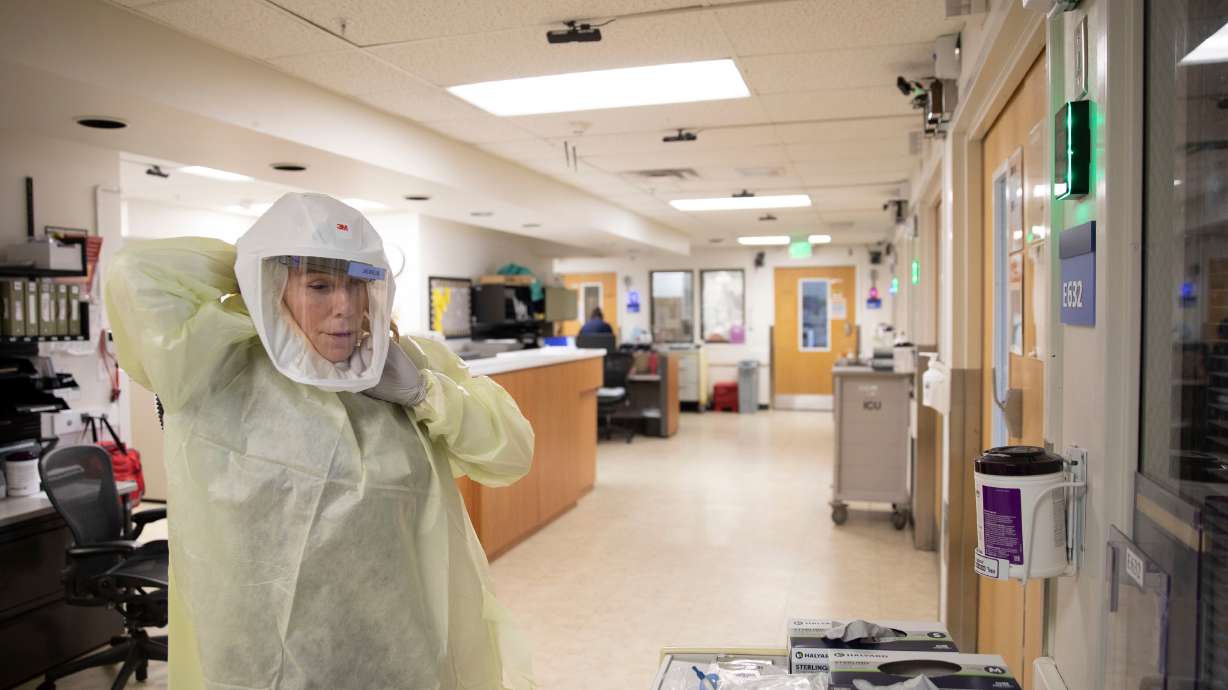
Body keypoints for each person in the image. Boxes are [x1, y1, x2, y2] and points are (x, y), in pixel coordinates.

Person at [105, 193, 535, 690]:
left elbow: (512, 453)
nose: (345, 307)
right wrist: (256, 262)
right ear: (271, 283)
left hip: (397, 645)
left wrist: (423, 393)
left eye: (359, 283)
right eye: (319, 285)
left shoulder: (403, 361)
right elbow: (135, 271)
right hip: (261, 657)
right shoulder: (215, 369)